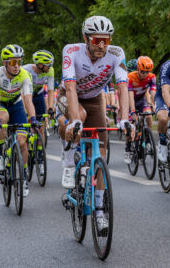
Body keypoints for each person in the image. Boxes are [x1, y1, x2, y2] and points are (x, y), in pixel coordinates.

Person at [57, 15, 131, 232]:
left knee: (101, 151)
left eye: (106, 40)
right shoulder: (71, 51)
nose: (101, 45)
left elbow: (123, 87)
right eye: (96, 40)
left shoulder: (117, 54)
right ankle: (70, 159)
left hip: (96, 99)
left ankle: (99, 210)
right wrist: (75, 120)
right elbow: (70, 87)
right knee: (77, 118)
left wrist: (125, 119)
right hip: (70, 96)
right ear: (85, 38)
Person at [0, 44, 38, 197]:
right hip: (1, 104)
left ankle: (23, 176)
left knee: (22, 142)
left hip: (16, 104)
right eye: (13, 62)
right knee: (3, 119)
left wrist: (33, 119)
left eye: (19, 62)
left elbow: (28, 100)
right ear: (5, 63)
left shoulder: (25, 75)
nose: (17, 66)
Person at [125, 56, 156, 163]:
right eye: (142, 71)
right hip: (130, 101)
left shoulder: (151, 77)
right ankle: (128, 148)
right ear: (138, 69)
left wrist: (153, 105)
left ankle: (148, 141)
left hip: (141, 100)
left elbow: (152, 92)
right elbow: (129, 95)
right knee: (130, 126)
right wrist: (132, 111)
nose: (144, 74)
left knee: (148, 115)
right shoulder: (130, 77)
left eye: (147, 71)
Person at [23, 49, 55, 147]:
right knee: (25, 121)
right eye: (49, 64)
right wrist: (25, 110)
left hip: (38, 95)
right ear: (40, 65)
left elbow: (50, 90)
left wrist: (50, 108)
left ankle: (40, 156)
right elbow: (21, 92)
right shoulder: (25, 70)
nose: (51, 67)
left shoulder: (50, 71)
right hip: (25, 95)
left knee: (41, 127)